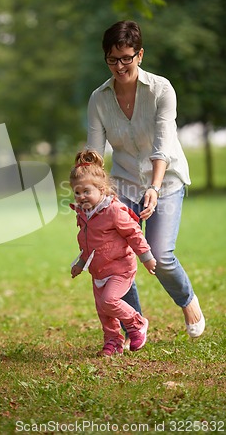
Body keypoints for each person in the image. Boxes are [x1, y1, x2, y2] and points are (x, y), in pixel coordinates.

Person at [86, 19, 205, 338]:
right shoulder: (99, 99)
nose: (119, 66)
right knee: (113, 256)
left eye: (126, 58)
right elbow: (95, 151)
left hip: (165, 181)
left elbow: (162, 144)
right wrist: (88, 189)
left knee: (160, 252)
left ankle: (187, 300)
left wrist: (153, 186)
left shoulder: (161, 90)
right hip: (123, 183)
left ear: (140, 55)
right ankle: (133, 325)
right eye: (112, 59)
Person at [70, 149, 156, 356]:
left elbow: (134, 233)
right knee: (103, 310)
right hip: (99, 271)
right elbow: (89, 244)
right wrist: (80, 264)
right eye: (77, 192)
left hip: (120, 267)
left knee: (109, 301)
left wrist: (147, 258)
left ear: (101, 189)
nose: (81, 197)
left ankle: (137, 323)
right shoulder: (84, 214)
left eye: (86, 192)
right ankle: (113, 342)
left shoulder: (114, 210)